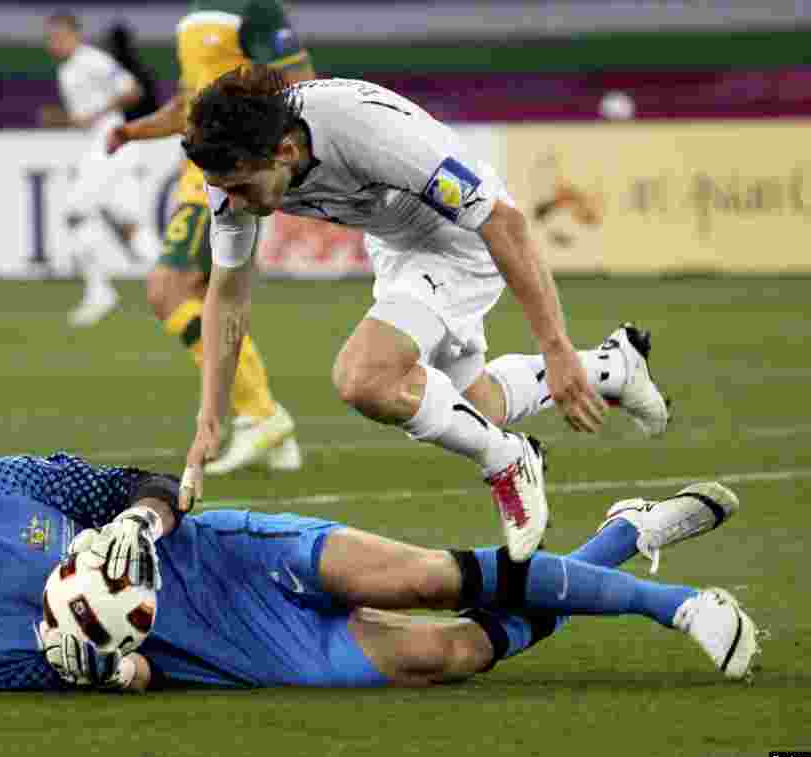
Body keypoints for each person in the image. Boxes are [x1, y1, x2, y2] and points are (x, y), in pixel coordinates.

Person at [177, 69, 672, 561]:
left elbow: (503, 221)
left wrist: (556, 347)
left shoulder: (367, 131)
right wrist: (209, 417)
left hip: (461, 236)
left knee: (364, 377)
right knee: (480, 407)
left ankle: (508, 458)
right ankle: (615, 365)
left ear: (285, 151)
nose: (232, 202)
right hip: (396, 241)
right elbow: (229, 292)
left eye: (242, 188)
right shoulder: (233, 165)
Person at [0, 451, 759, 693]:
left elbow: (149, 483)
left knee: (426, 575)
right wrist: (112, 675)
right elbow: (134, 678)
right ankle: (618, 538)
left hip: (230, 550)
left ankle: (675, 607)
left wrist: (139, 516)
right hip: (237, 650)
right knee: (449, 658)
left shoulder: (2, 486)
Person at [104, 0, 319, 475]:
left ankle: (259, 415)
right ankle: (264, 421)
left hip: (223, 180)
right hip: (199, 177)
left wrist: (288, 163)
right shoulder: (192, 19)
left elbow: (301, 85)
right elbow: (190, 105)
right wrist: (135, 130)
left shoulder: (251, 11)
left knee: (168, 289)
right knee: (199, 296)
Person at [45, 12, 163, 327]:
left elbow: (132, 89)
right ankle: (179, 285)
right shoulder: (67, 70)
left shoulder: (91, 60)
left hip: (109, 142)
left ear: (74, 35)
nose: (52, 43)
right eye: (50, 38)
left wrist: (96, 115)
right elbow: (84, 115)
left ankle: (100, 293)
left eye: (57, 36)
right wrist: (65, 120)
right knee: (130, 224)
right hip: (106, 145)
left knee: (75, 213)